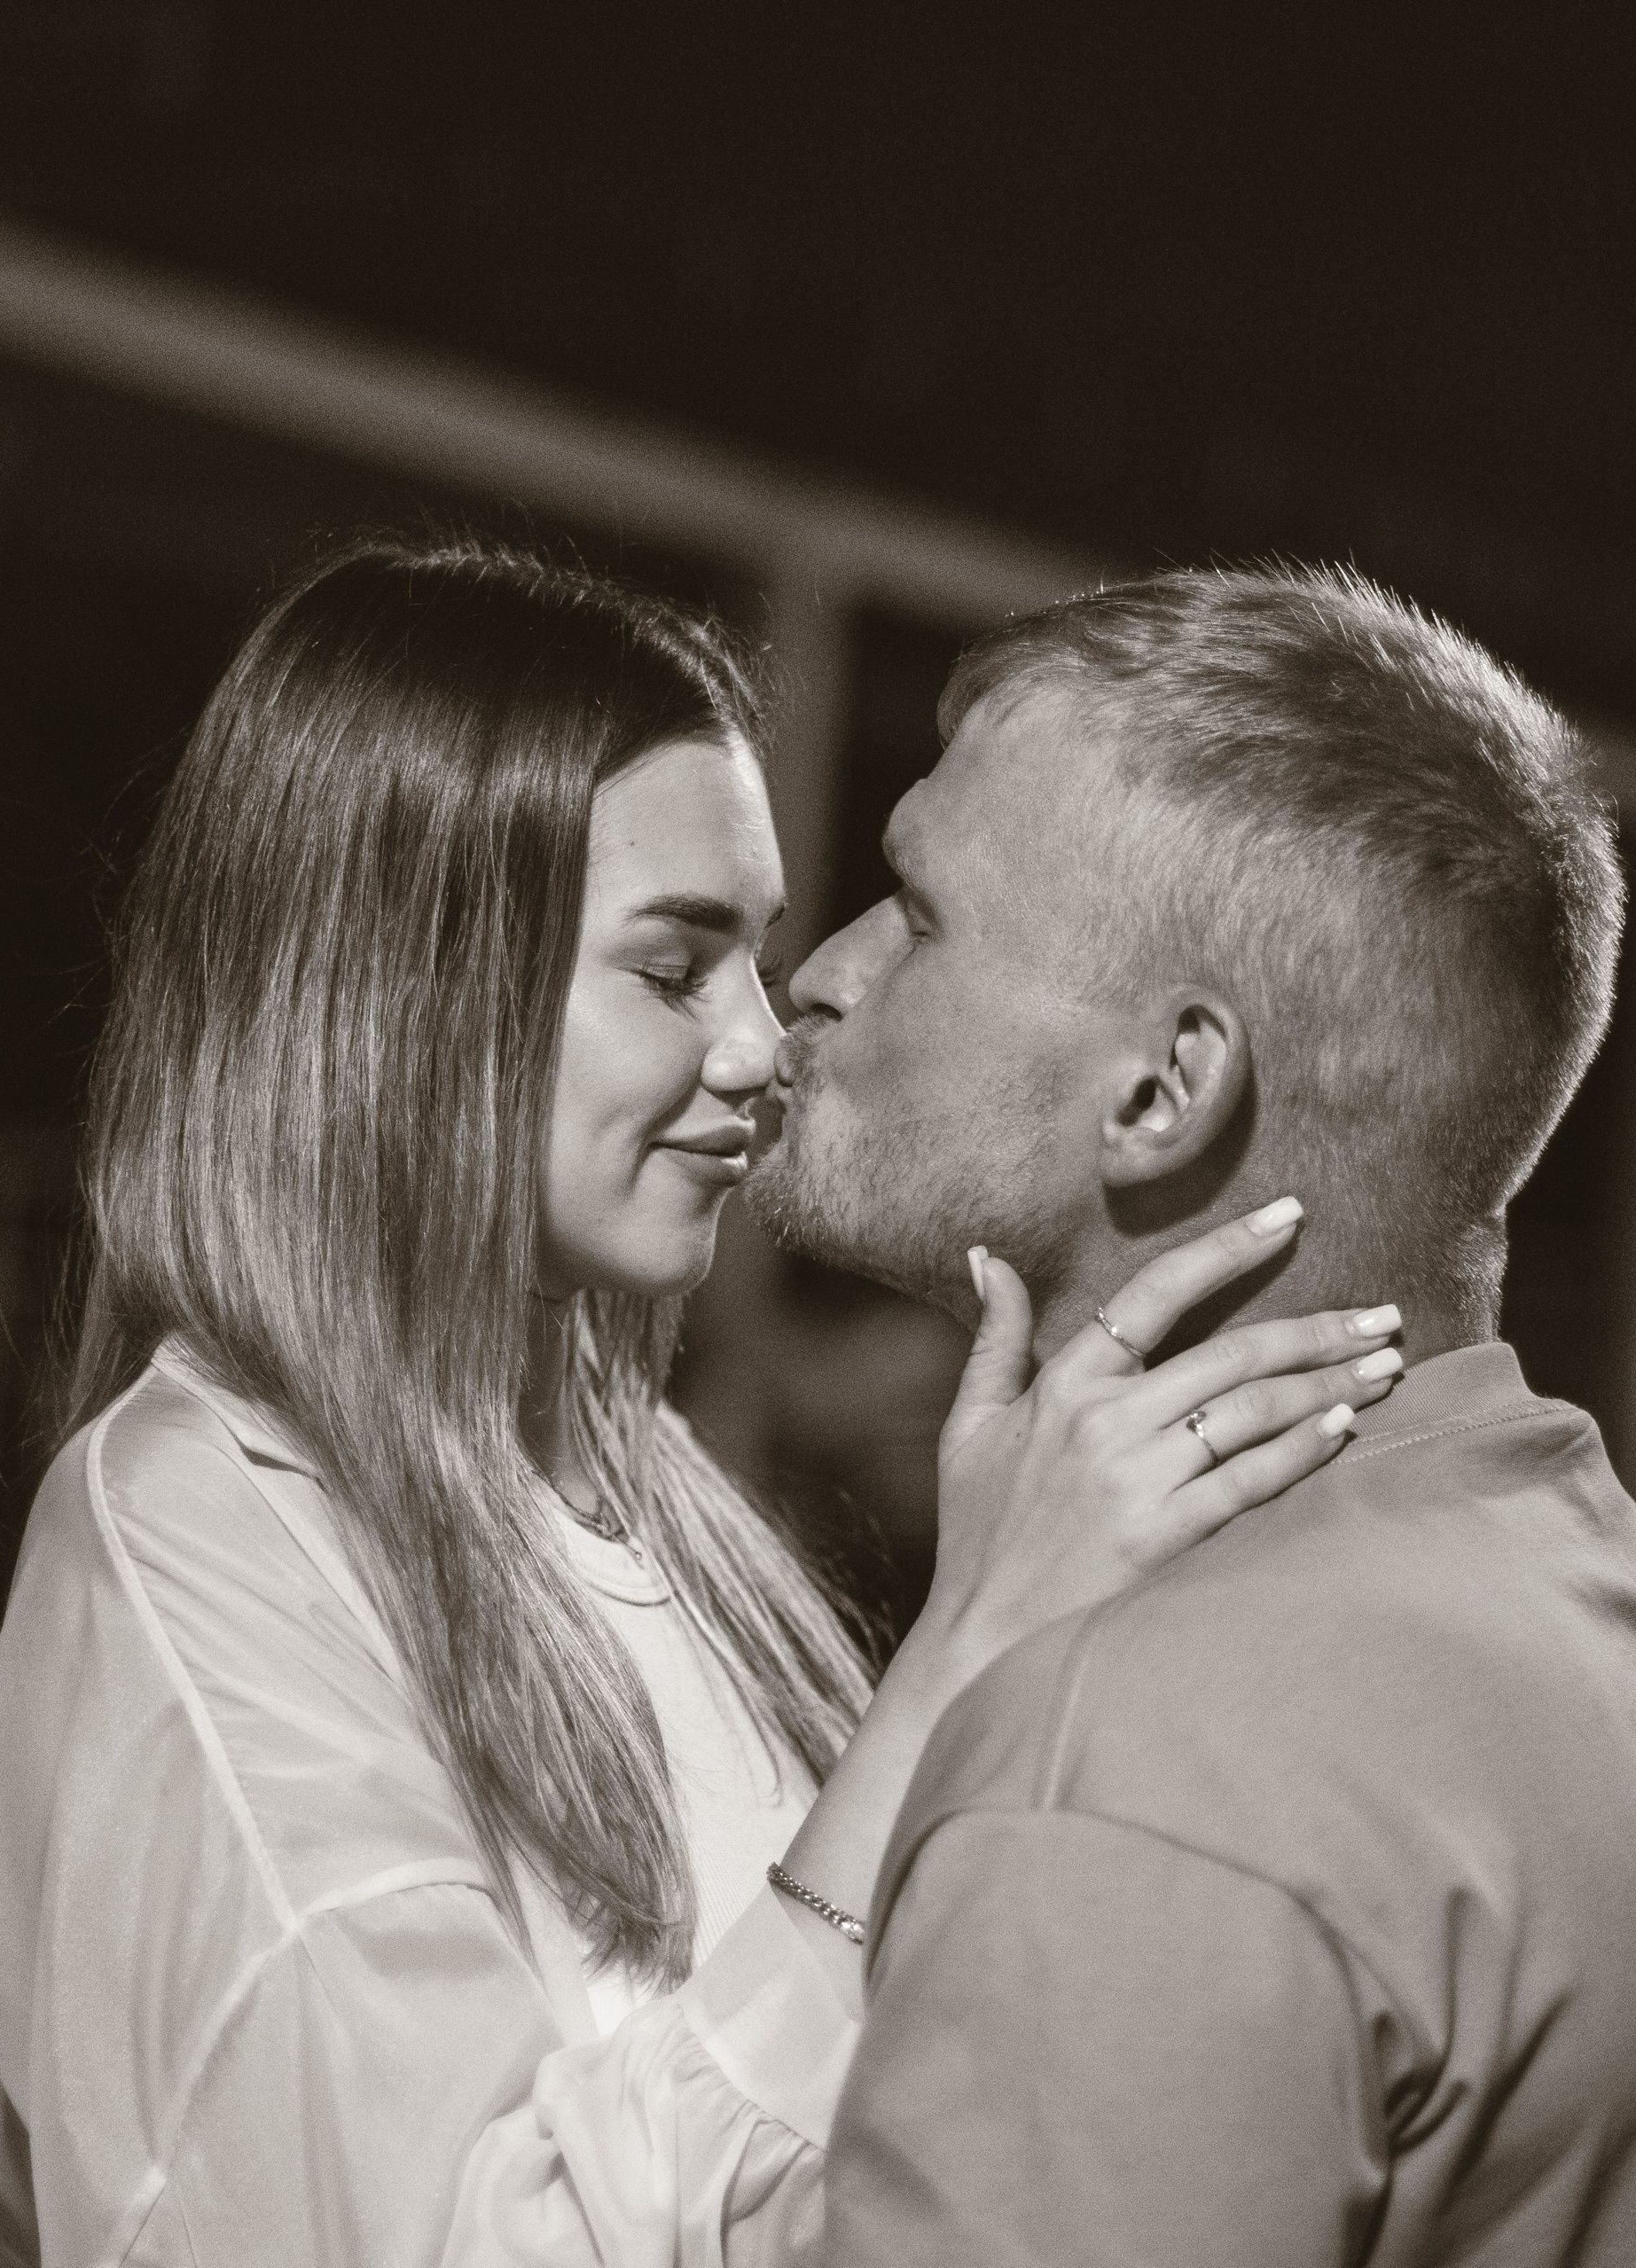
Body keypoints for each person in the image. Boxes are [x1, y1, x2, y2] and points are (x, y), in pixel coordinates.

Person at [0, 539, 1399, 2268]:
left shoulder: (644, 1489)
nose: (765, 1043)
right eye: (672, 964)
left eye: (753, 957)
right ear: (414, 987)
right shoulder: (201, 1526)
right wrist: (966, 1656)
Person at [748, 564, 1636, 2265]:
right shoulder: (1574, 1611)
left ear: (1165, 1090)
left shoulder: (1133, 1759)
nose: (826, 974)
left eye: (919, 914)